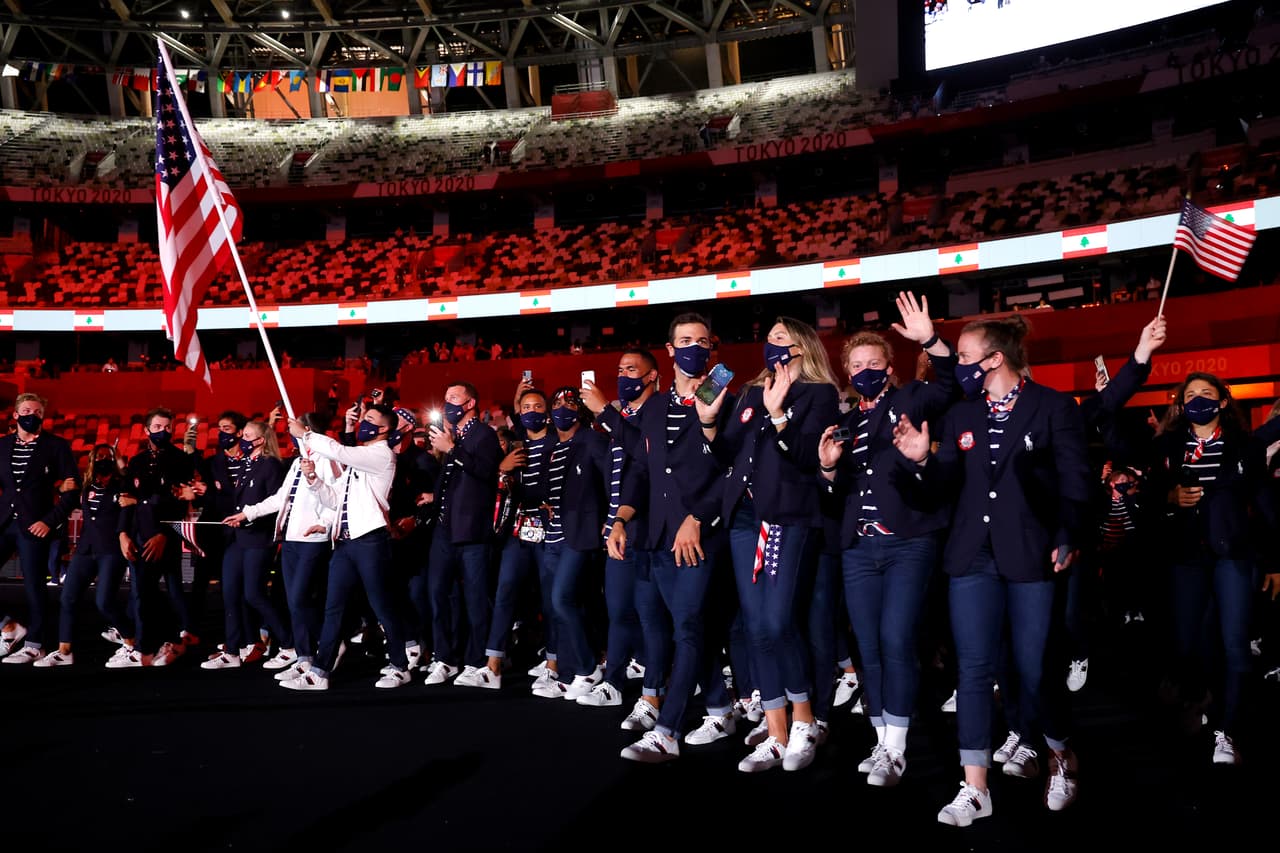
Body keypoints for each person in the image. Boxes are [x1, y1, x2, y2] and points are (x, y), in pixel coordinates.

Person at [891, 315, 1091, 826]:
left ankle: (1060, 756)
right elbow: (942, 488)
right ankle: (975, 787)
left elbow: (1075, 480)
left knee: (1032, 668)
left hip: (1031, 553)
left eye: (961, 357)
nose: (956, 366)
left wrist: (1067, 533)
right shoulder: (961, 415)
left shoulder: (1053, 407)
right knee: (975, 670)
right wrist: (919, 462)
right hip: (971, 557)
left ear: (994, 359)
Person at [817, 292, 958, 786]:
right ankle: (881, 742)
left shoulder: (909, 398)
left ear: (889, 364)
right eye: (856, 364)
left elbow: (952, 386)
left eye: (874, 361)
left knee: (897, 639)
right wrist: (828, 471)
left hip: (908, 541)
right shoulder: (847, 423)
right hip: (858, 547)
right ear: (846, 372)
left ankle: (896, 749)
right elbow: (834, 496)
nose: (865, 369)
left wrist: (933, 341)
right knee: (869, 647)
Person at [583, 312, 734, 763]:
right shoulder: (657, 405)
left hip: (700, 536)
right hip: (659, 536)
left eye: (702, 341)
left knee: (688, 627)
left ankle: (667, 729)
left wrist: (699, 517)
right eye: (684, 340)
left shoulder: (720, 391)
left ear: (713, 348)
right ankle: (721, 708)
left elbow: (729, 469)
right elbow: (643, 467)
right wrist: (622, 518)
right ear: (670, 350)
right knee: (687, 627)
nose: (694, 348)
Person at [704, 316, 840, 772]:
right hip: (743, 518)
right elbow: (727, 453)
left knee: (780, 623)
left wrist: (779, 412)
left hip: (785, 516)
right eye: (769, 337)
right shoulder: (747, 391)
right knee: (758, 626)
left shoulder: (819, 395)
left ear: (802, 347)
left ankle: (804, 720)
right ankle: (776, 731)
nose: (771, 344)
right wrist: (707, 423)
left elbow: (808, 458)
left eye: (781, 338)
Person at [1147, 372, 1280, 765]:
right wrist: (1170, 495)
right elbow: (1152, 496)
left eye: (1207, 394)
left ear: (1222, 402)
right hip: (1186, 557)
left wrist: (1274, 560)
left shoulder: (1245, 446)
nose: (1198, 400)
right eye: (1191, 395)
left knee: (1235, 643)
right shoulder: (1168, 446)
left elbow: (1265, 506)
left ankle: (1227, 729)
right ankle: (1199, 696)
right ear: (1180, 404)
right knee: (1189, 644)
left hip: (1233, 555)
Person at [280, 403, 413, 690]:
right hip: (345, 543)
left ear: (385, 428)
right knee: (333, 607)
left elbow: (339, 451)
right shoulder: (358, 463)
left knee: (382, 605)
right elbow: (334, 499)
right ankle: (320, 671)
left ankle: (400, 665)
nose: (363, 422)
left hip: (371, 542)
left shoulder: (380, 454)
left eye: (369, 419)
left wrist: (305, 434)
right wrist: (314, 479)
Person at [576, 349, 659, 710]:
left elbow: (645, 454)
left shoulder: (659, 410)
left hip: (653, 529)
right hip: (620, 528)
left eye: (632, 369)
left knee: (653, 614)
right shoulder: (621, 416)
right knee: (620, 609)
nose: (623, 375)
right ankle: (614, 681)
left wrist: (604, 412)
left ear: (652, 376)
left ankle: (655, 687)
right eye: (620, 369)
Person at [225, 412, 335, 680]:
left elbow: (336, 497)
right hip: (291, 538)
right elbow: (279, 499)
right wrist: (247, 513)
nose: (289, 430)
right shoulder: (298, 462)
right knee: (293, 601)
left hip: (313, 539)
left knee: (300, 599)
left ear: (307, 430)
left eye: (295, 427)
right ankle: (304, 655)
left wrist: (327, 522)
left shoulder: (328, 461)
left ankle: (325, 646)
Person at [470, 385, 552, 690]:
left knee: (550, 598)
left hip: (549, 530)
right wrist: (502, 471)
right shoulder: (517, 446)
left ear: (548, 413)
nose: (531, 411)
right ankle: (493, 665)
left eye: (537, 407)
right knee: (505, 591)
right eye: (526, 407)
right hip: (518, 531)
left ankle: (553, 664)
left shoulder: (558, 442)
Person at [422, 383, 501, 685]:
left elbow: (485, 472)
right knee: (438, 594)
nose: (447, 404)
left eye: (453, 399)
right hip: (445, 528)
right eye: (445, 400)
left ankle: (476, 659)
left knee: (476, 598)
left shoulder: (484, 435)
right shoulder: (451, 436)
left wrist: (452, 450)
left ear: (470, 403)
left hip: (472, 531)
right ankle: (445, 658)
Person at [109, 407, 198, 669]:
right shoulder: (136, 462)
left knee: (161, 591)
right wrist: (123, 534)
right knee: (142, 594)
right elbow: (126, 501)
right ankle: (150, 647)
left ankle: (151, 647)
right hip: (137, 536)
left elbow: (179, 502)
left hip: (164, 537)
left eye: (168, 427)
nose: (164, 431)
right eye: (158, 427)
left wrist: (162, 534)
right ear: (147, 430)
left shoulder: (181, 459)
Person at [34, 445, 133, 667]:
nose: (103, 460)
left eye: (108, 457)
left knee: (104, 601)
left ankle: (131, 640)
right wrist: (60, 490)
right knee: (68, 598)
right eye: (99, 457)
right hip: (85, 550)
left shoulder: (123, 485)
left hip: (111, 550)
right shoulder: (85, 485)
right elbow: (65, 498)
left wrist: (120, 463)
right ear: (91, 460)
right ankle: (64, 650)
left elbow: (131, 488)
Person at [201, 421, 289, 670]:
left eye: (249, 436)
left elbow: (276, 501)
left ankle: (289, 643)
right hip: (238, 538)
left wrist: (248, 516)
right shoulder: (246, 464)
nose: (243, 439)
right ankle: (232, 650)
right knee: (230, 593)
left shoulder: (270, 465)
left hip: (259, 538)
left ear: (261, 440)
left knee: (254, 594)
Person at [0, 393, 79, 663]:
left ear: (43, 416)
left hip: (36, 526)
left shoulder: (57, 446)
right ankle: (8, 627)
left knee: (35, 586)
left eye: (36, 411)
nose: (30, 415)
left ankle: (35, 645)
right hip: (3, 523)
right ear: (15, 414)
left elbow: (72, 491)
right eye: (25, 410)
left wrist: (49, 520)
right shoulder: (1, 446)